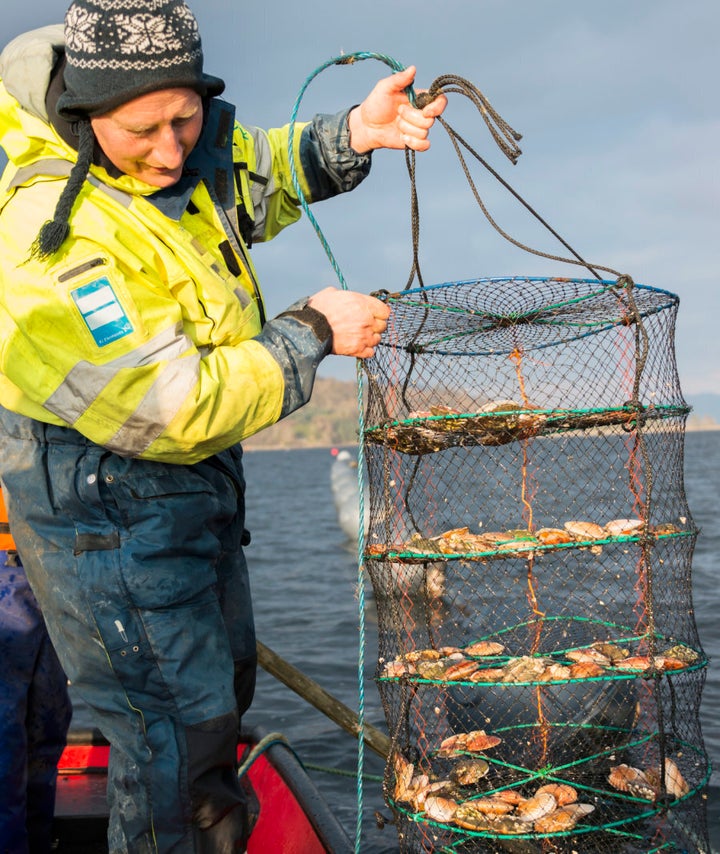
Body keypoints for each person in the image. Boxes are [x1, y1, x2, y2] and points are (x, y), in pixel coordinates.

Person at [0, 0, 446, 850]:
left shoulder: (182, 154)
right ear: (83, 114)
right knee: (176, 750)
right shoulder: (46, 242)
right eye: (143, 130)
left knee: (218, 701)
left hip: (198, 507)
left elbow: (253, 165)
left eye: (186, 115)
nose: (171, 150)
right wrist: (311, 333)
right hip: (108, 525)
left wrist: (356, 131)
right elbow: (169, 410)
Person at [0, 490, 72, 853]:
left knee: (48, 724)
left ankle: (38, 842)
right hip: (5, 571)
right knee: (4, 737)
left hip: (55, 566)